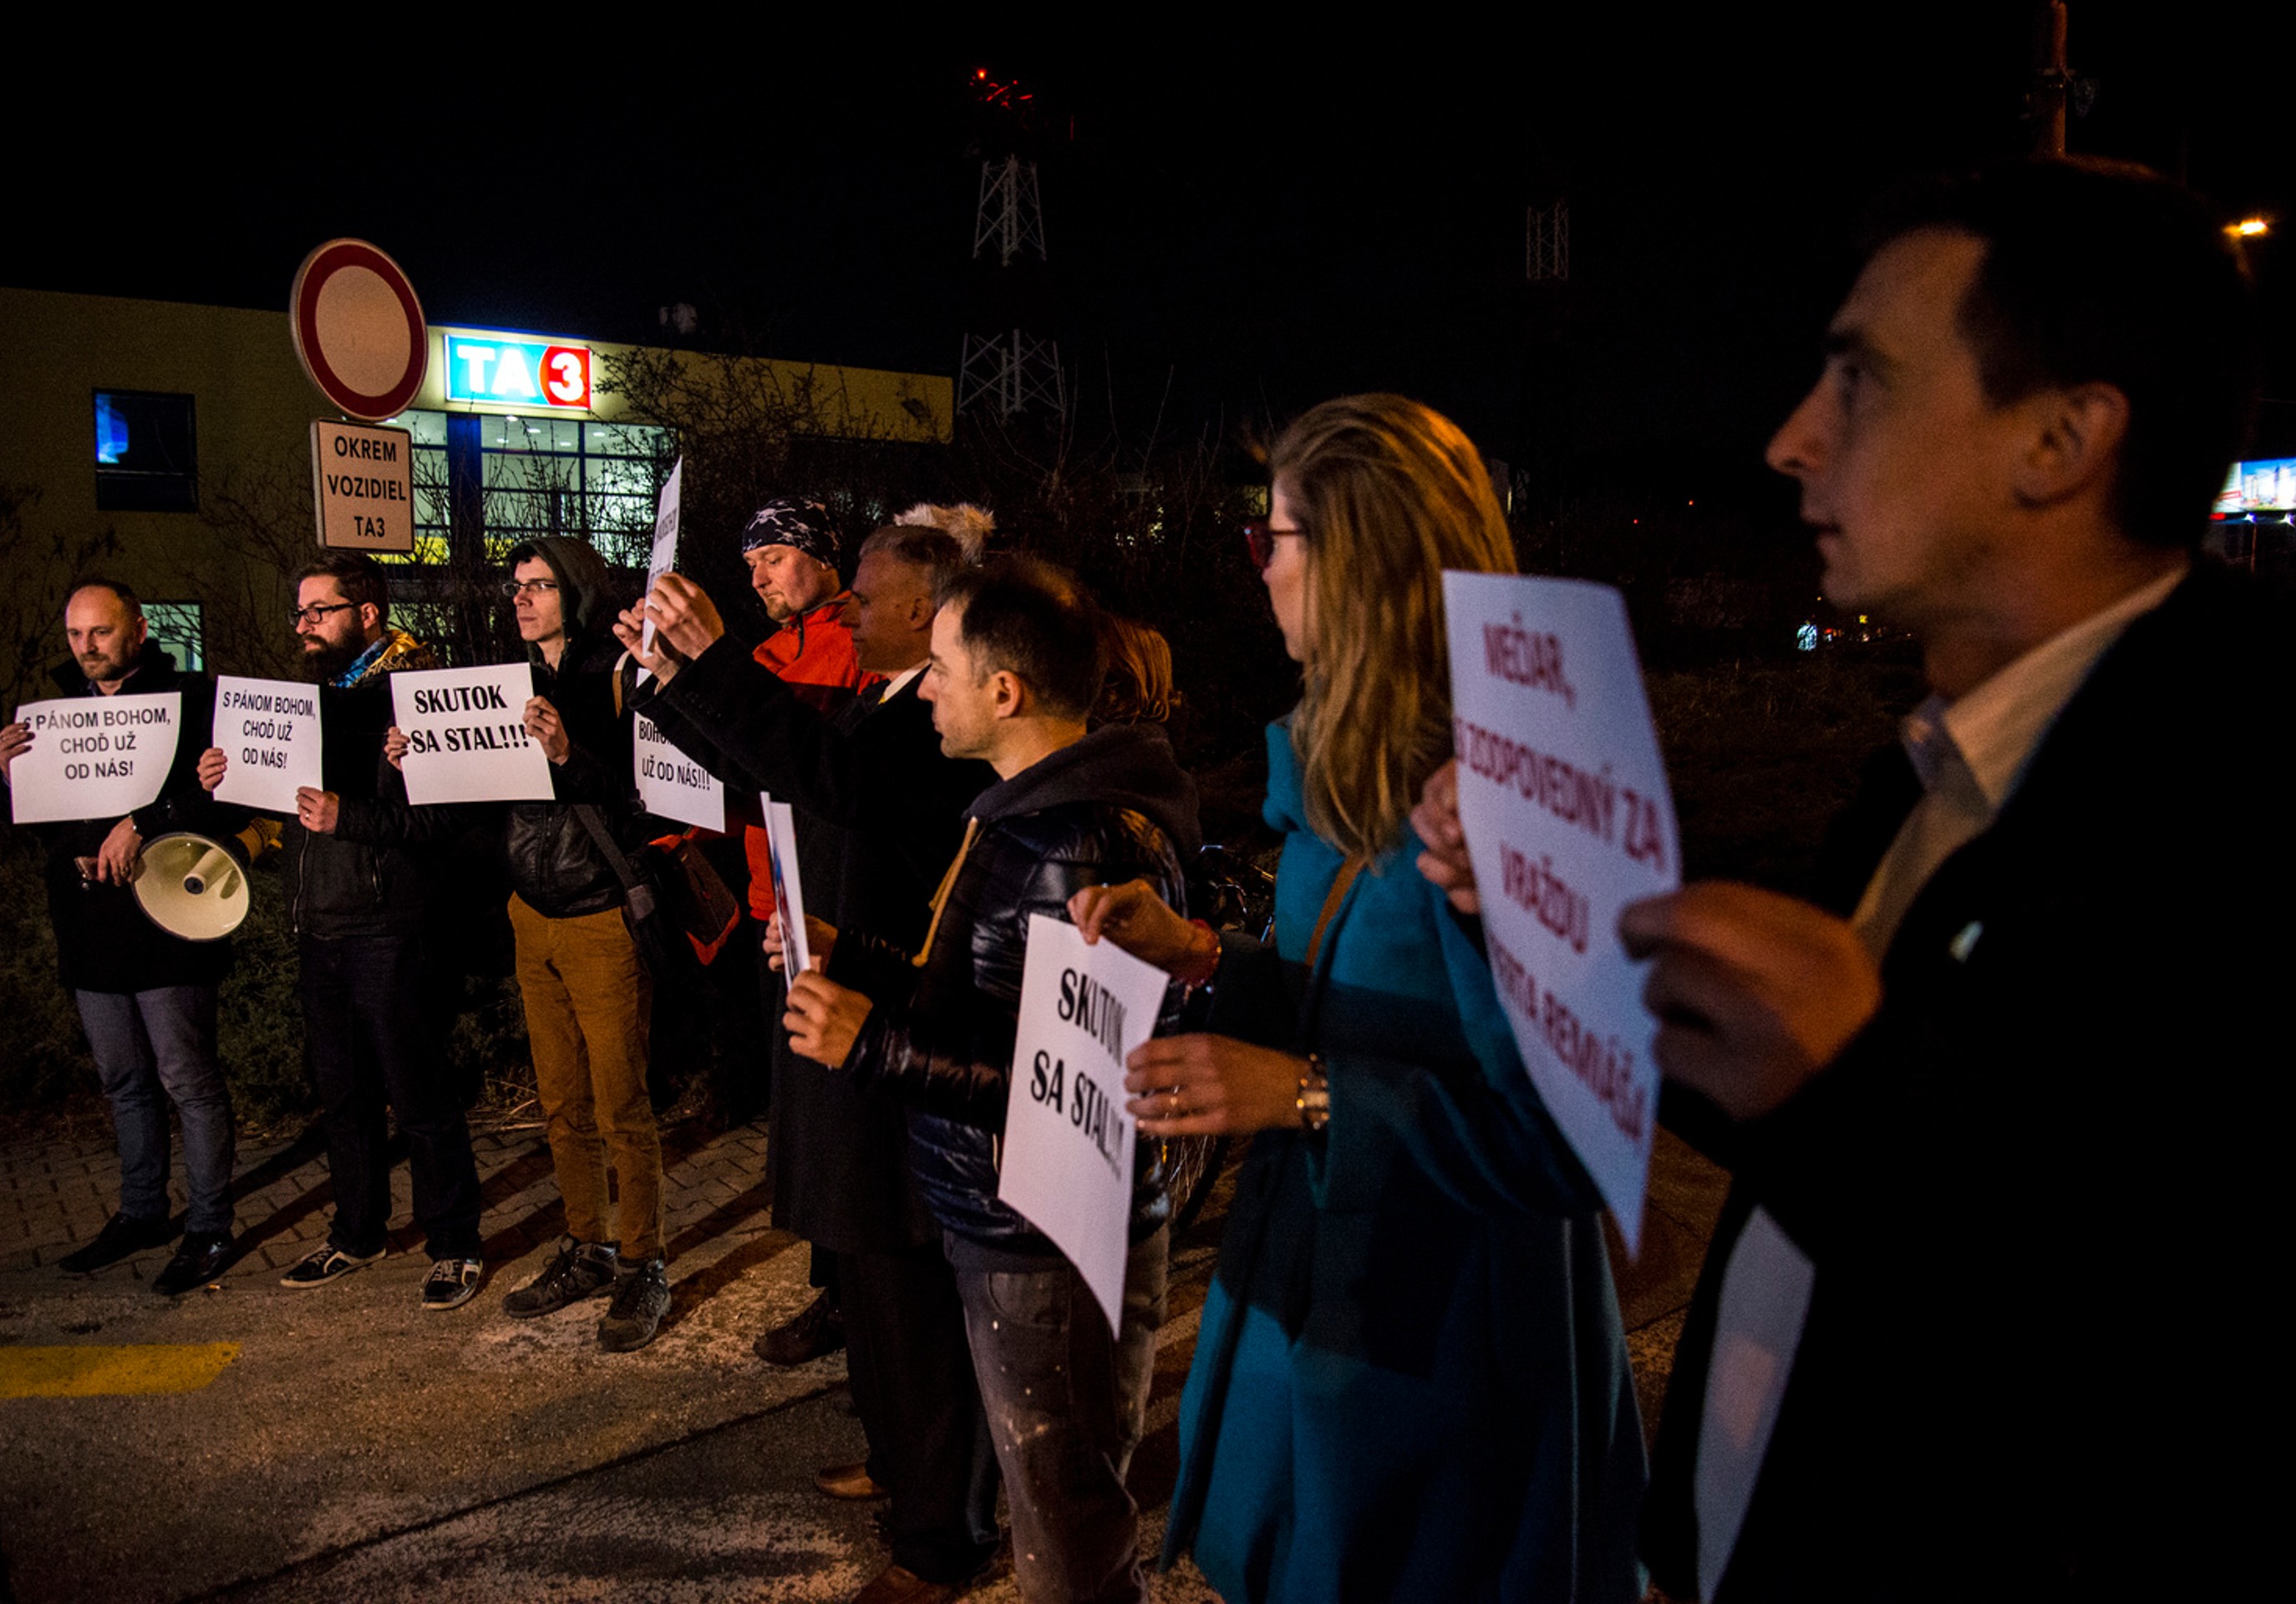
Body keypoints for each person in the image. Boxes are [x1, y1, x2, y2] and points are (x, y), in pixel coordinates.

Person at [1413, 159, 2278, 1599]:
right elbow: (1813, 1114)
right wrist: (1563, 902)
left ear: (2058, 440)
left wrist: (1851, 1091)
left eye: (1860, 382)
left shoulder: (2230, 806)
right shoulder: (1932, 767)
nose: (1788, 441)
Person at [1072, 395, 1645, 1602]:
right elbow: (1352, 993)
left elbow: (1570, 1140)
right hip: (1327, 1291)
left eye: (1269, 540)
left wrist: (1306, 1095)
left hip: (1444, 1348)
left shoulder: (1512, 791)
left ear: (1360, 557)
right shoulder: (1343, 763)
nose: (1259, 572)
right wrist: (1203, 954)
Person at [781, 557, 1199, 1604]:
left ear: (1003, 691)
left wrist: (871, 1044)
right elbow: (991, 999)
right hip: (1008, 1216)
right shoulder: (1028, 813)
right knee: (1053, 1507)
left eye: (940, 667)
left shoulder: (1074, 842)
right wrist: (862, 959)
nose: (922, 688)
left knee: (1067, 1535)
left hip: (1042, 1238)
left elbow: (1072, 1089)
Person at [617, 522, 1001, 1598]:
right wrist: (668, 679)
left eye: (871, 598)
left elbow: (821, 774)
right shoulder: (877, 700)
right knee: (864, 1263)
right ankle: (897, 1465)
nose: (852, 613)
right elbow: (766, 758)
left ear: (930, 610)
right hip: (841, 1013)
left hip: (895, 1022)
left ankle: (945, 1535)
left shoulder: (937, 722)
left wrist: (713, 662)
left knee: (911, 1290)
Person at [395, 536, 668, 1353]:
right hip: (531, 914)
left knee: (621, 1100)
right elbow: (478, 806)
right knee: (561, 1101)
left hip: (595, 915)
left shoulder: (615, 678)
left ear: (574, 592)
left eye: (537, 586)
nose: (519, 598)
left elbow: (638, 796)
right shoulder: (504, 684)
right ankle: (587, 1245)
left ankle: (644, 1263)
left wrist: (566, 754)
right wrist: (417, 763)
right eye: (514, 587)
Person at [196, 552, 486, 1308]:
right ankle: (357, 1233)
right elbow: (278, 815)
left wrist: (348, 814)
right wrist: (227, 781)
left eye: (318, 611)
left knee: (419, 1099)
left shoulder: (419, 694)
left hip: (390, 930)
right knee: (346, 1100)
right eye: (300, 613)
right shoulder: (316, 701)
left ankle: (454, 1242)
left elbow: (442, 822)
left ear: (367, 614)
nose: (304, 626)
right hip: (319, 928)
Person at [0, 579, 242, 1298]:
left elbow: (218, 793)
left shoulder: (193, 700)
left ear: (136, 627)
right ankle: (141, 1213)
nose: (87, 648)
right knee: (125, 1083)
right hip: (90, 928)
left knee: (187, 1080)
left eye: (99, 632)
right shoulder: (53, 714)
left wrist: (145, 821)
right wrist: (12, 773)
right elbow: (45, 818)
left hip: (169, 922)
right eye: (75, 636)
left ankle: (210, 1227)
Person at [726, 496, 881, 1358]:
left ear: (824, 559)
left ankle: (850, 1295)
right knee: (804, 1112)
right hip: (769, 906)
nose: (759, 579)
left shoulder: (857, 645)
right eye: (751, 567)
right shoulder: (760, 653)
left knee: (836, 1109)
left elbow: (822, 774)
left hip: (824, 910)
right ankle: (838, 1286)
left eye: (774, 559)